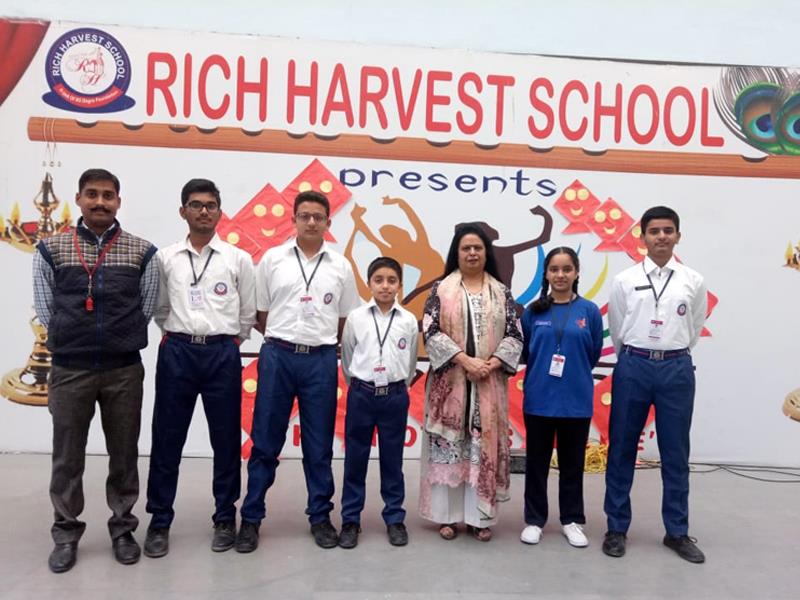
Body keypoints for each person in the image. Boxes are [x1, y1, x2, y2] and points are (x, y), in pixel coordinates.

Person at [32, 168, 158, 573]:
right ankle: (65, 533)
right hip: (71, 370)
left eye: (108, 195)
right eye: (92, 194)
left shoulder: (141, 251)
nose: (100, 202)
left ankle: (122, 529)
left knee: (124, 454)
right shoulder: (51, 248)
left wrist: (119, 335)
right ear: (79, 199)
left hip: (123, 370)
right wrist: (74, 337)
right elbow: (46, 308)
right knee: (67, 457)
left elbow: (147, 306)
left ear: (118, 201)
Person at [236, 190, 361, 552]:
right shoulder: (273, 259)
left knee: (318, 444)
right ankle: (251, 518)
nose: (311, 222)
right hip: (278, 356)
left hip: (320, 360)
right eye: (304, 216)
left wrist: (317, 343)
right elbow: (260, 313)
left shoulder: (340, 266)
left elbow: (345, 319)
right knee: (265, 441)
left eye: (317, 217)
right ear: (293, 220)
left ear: (328, 223)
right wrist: (287, 339)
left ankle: (320, 516)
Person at [143, 179, 256, 558]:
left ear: (220, 212)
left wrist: (232, 342)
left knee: (225, 440)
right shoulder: (165, 258)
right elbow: (160, 308)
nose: (204, 211)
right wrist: (181, 335)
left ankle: (225, 517)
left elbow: (247, 312)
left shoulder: (237, 259)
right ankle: (160, 520)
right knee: (167, 438)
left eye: (210, 205)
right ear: (183, 211)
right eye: (196, 204)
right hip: (177, 352)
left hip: (222, 354)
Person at [602, 206, 708, 563]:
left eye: (668, 230)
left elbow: (694, 327)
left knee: (676, 452)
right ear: (643, 236)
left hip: (676, 368)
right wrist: (639, 356)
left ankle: (677, 531)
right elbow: (618, 327)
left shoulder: (693, 280)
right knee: (621, 449)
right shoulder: (624, 280)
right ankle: (616, 528)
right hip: (634, 365)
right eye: (654, 231)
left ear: (678, 235)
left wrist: (669, 351)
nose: (661, 236)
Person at [419, 223, 522, 542]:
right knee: (450, 451)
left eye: (478, 247)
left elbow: (515, 334)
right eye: (466, 248)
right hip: (449, 386)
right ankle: (447, 517)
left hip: (489, 386)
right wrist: (466, 361)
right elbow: (430, 332)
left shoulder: (501, 292)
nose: (473, 253)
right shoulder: (440, 289)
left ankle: (480, 518)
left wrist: (491, 364)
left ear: (486, 253)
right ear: (457, 253)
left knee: (481, 450)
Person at [519, 247, 602, 548]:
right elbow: (527, 352)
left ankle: (572, 520)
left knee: (572, 464)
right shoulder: (533, 312)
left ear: (576, 272)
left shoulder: (589, 311)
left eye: (567, 269)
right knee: (536, 464)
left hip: (575, 400)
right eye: (554, 269)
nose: (560, 275)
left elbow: (592, 354)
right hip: (539, 399)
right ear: (546, 274)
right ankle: (534, 520)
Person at [338, 256, 418, 549]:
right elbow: (347, 357)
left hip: (395, 396)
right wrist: (359, 385)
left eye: (392, 280)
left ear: (400, 285)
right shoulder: (357, 318)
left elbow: (410, 362)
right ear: (369, 283)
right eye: (379, 280)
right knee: (355, 459)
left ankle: (394, 517)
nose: (385, 286)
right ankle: (350, 519)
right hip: (362, 394)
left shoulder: (408, 320)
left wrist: (398, 386)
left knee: (393, 460)